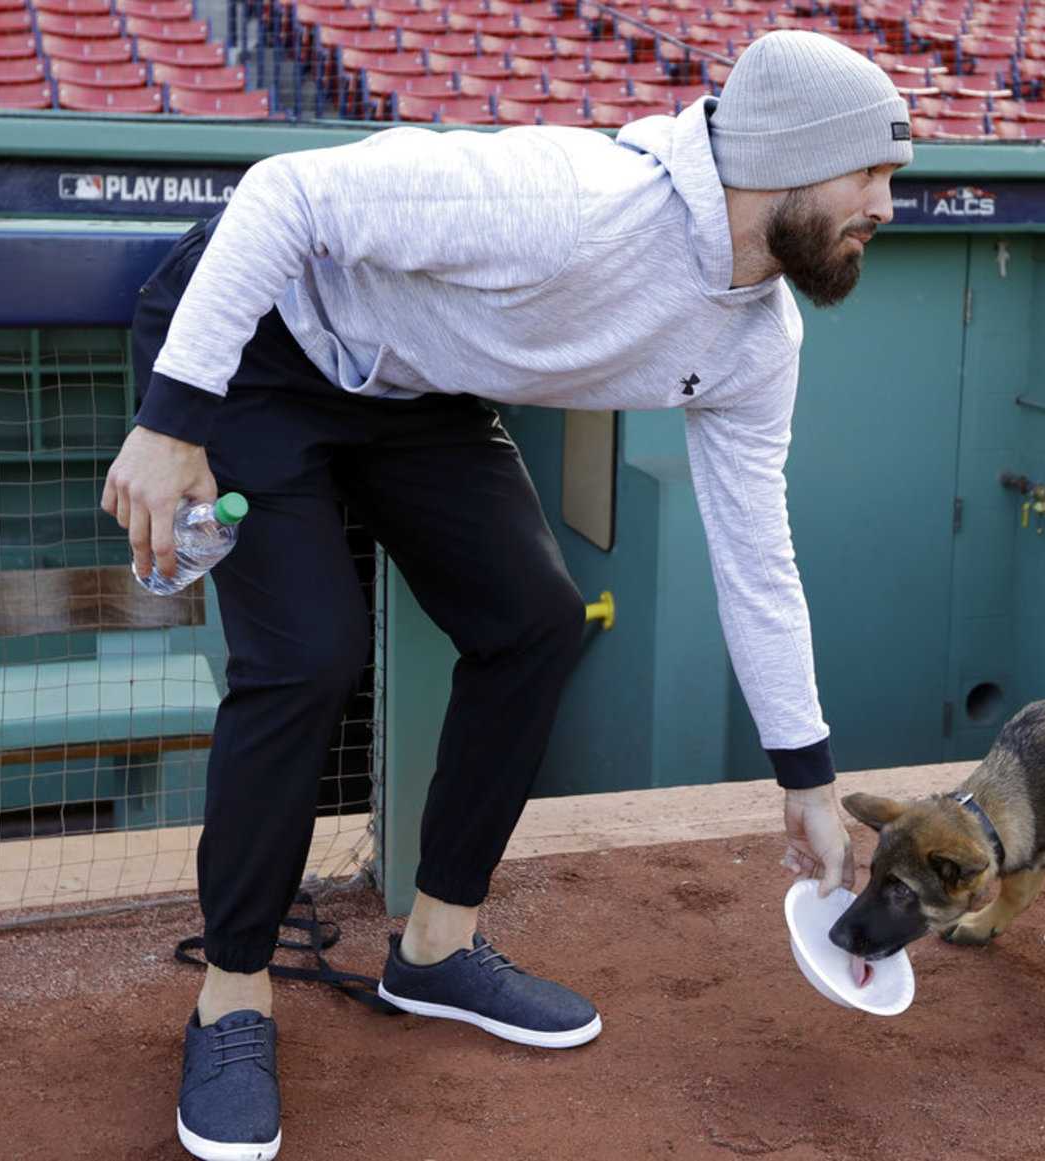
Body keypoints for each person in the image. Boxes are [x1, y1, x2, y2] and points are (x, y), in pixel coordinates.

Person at [103, 29, 911, 1161]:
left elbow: (755, 553)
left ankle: (436, 949)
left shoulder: (757, 340)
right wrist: (172, 420)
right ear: (777, 163)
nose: (887, 203)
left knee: (533, 625)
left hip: (417, 383)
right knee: (309, 659)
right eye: (869, 175)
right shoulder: (570, 197)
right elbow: (283, 194)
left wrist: (806, 775)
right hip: (262, 346)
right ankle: (231, 1003)